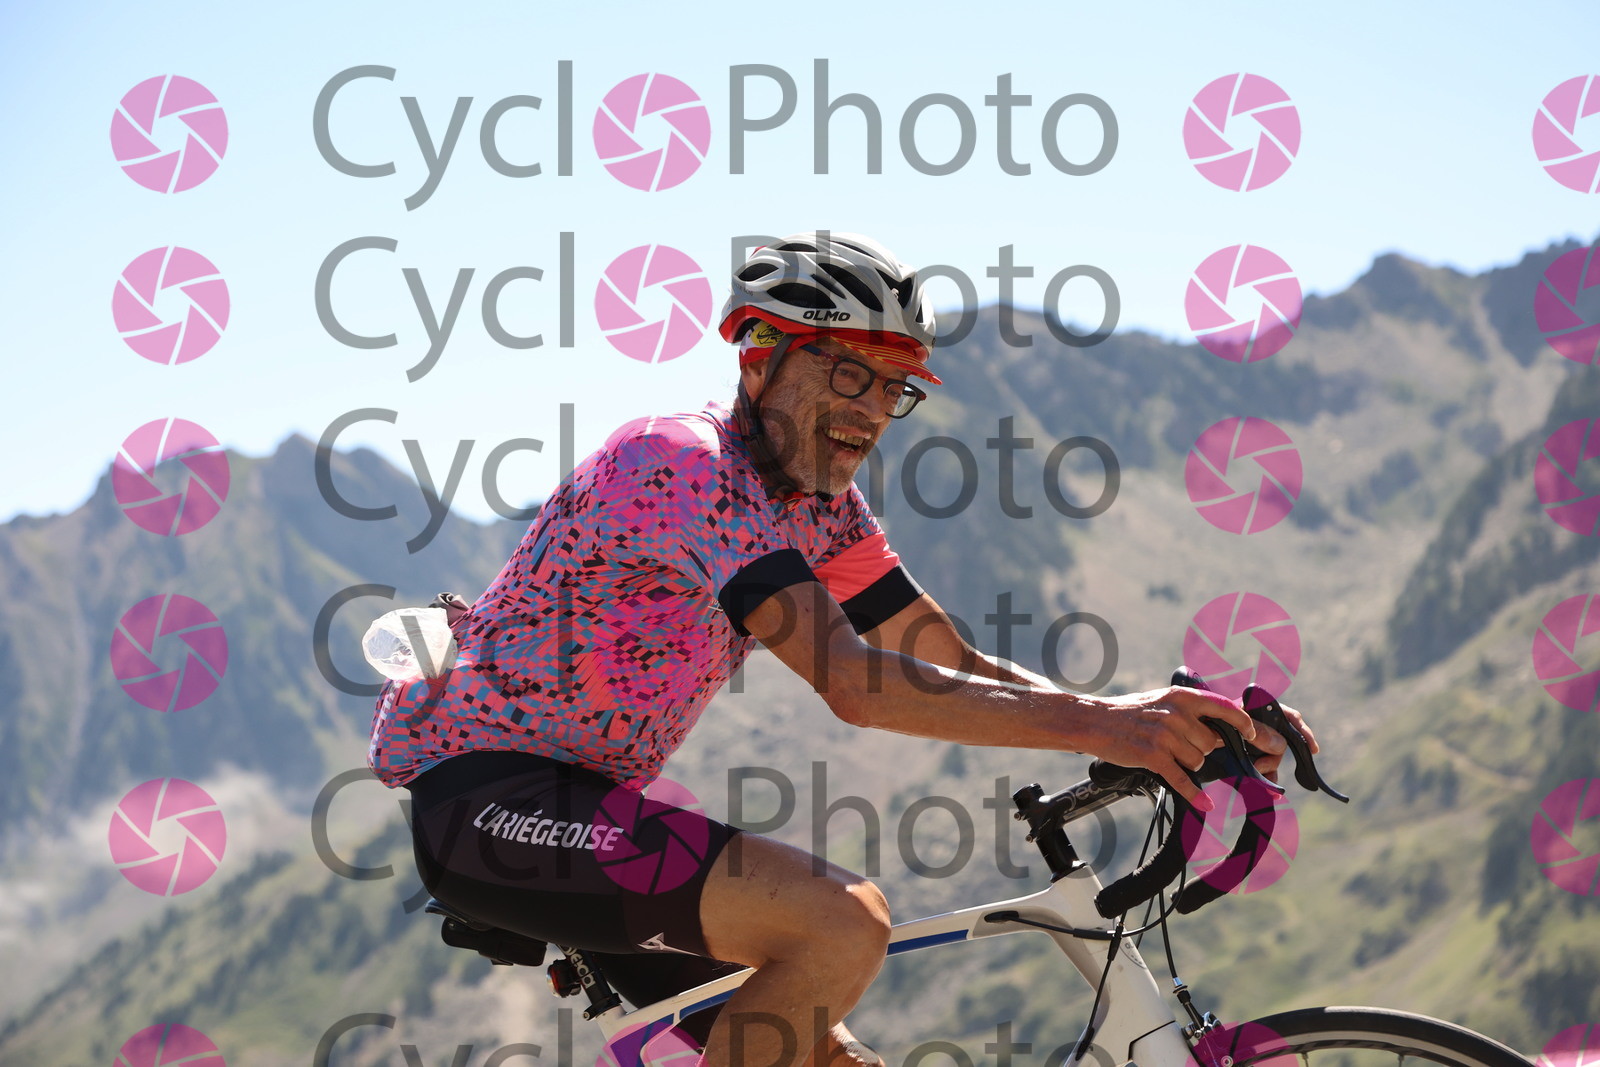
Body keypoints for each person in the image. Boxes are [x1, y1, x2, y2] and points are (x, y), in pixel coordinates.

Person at [367, 231, 1316, 1067]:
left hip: (592, 809)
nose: (871, 410)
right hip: (489, 804)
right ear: (759, 357)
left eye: (894, 386)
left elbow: (943, 656)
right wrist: (1112, 727)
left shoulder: (821, 508)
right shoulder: (681, 464)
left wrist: (1146, 718)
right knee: (842, 923)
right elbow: (856, 684)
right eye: (849, 373)